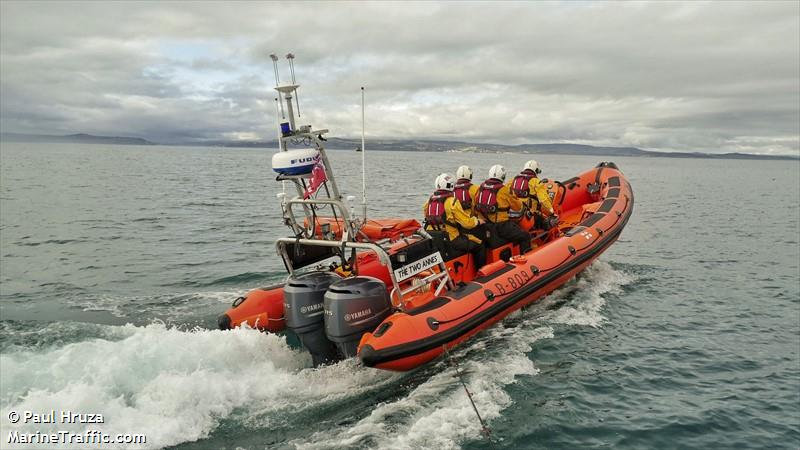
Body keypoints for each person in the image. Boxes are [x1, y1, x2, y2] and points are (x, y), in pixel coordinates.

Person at [423, 173, 487, 268]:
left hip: (434, 238)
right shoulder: (452, 202)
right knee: (480, 245)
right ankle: (481, 271)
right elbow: (467, 223)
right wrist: (477, 221)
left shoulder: (428, 202)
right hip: (452, 239)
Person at [473, 165, 531, 253]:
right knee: (525, 236)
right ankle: (526, 259)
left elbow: (474, 206)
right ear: (503, 176)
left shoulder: (480, 188)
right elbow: (518, 207)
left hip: (484, 225)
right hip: (501, 226)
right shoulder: (504, 190)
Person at [510, 160, 556, 229]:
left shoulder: (513, 180)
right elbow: (544, 200)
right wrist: (551, 213)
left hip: (513, 215)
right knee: (548, 223)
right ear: (536, 170)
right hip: (530, 215)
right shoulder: (536, 182)